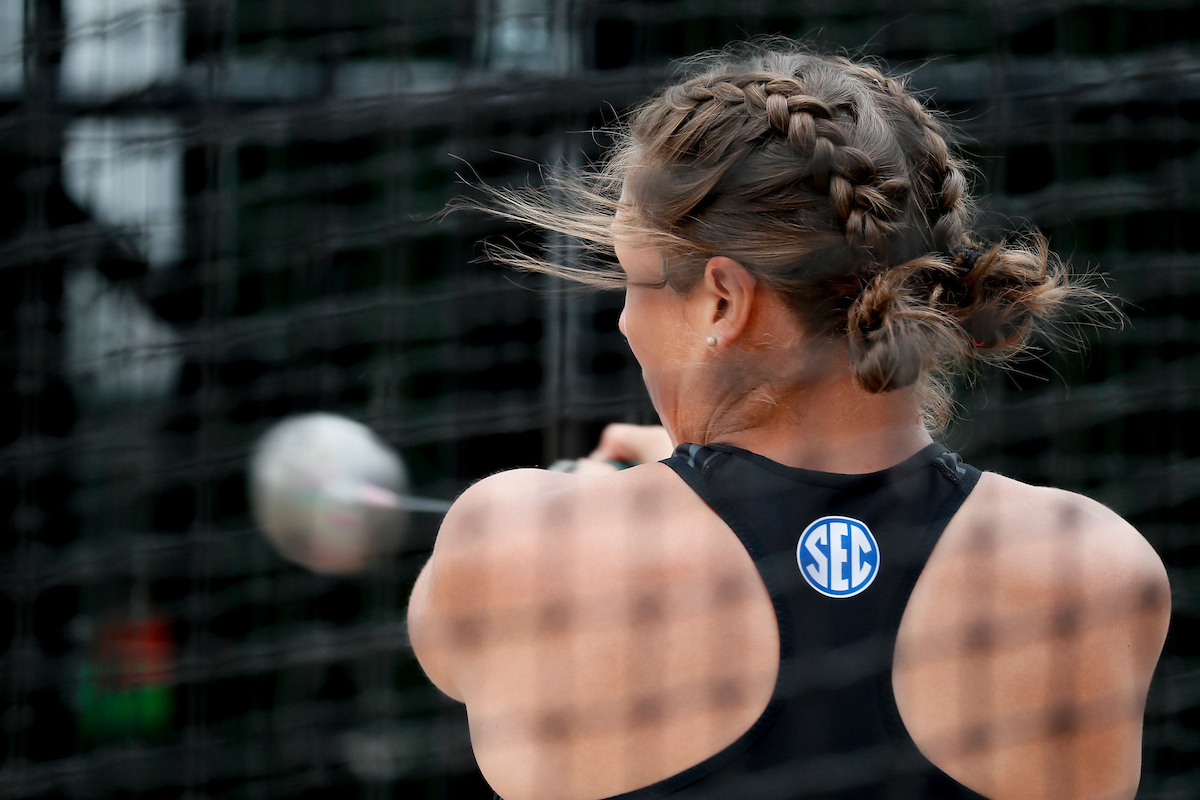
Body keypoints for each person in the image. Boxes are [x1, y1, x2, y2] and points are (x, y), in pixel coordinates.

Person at [407, 42, 1170, 800]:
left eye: (634, 279)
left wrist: (620, 490)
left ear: (723, 301)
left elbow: (446, 639)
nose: (626, 322)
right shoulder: (1092, 572)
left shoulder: (520, 548)